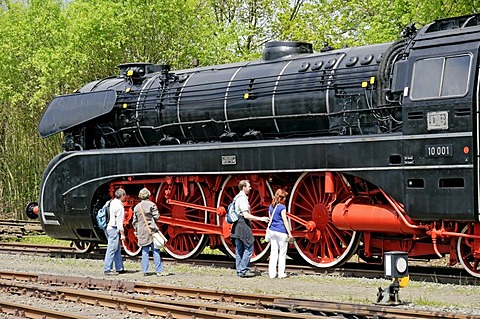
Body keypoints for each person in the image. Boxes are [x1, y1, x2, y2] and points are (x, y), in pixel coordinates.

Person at [230, 180, 269, 278]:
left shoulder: (236, 197)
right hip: (243, 224)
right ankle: (243, 270)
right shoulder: (243, 198)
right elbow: (246, 215)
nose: (250, 188)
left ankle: (239, 270)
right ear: (244, 187)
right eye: (249, 186)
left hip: (236, 225)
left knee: (239, 248)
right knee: (249, 247)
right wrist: (260, 218)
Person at [132, 187, 167, 276]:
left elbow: (134, 222)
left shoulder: (136, 207)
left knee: (145, 251)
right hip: (152, 230)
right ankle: (159, 270)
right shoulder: (152, 205)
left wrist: (136, 230)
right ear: (148, 195)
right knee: (156, 250)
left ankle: (145, 271)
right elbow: (157, 217)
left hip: (142, 231)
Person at [267, 189, 293, 279]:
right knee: (282, 253)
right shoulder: (282, 207)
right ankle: (281, 273)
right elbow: (285, 220)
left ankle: (272, 273)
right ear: (283, 198)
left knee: (273, 252)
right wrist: (289, 232)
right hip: (281, 231)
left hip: (272, 231)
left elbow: (270, 219)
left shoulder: (270, 207)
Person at [103, 188, 126, 275]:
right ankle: (107, 269)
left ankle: (119, 267)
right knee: (111, 249)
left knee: (117, 248)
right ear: (122, 196)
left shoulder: (111, 202)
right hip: (113, 228)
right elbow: (119, 222)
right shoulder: (119, 207)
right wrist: (122, 234)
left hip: (108, 227)